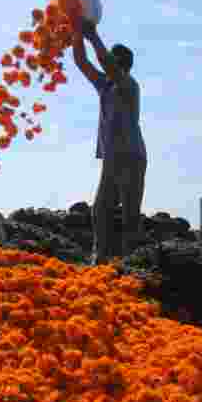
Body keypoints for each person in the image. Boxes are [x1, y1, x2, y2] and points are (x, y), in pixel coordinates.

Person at [72, 17, 147, 266]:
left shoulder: (128, 85)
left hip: (131, 156)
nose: (106, 65)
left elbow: (106, 63)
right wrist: (75, 33)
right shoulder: (105, 85)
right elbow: (82, 63)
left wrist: (93, 36)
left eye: (111, 60)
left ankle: (132, 262)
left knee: (129, 213)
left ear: (121, 64)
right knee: (101, 209)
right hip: (112, 157)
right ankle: (100, 256)